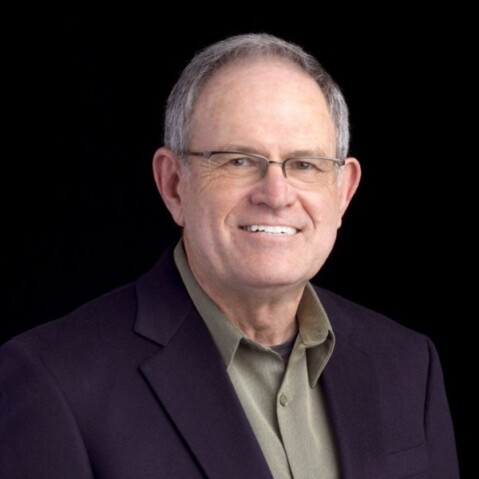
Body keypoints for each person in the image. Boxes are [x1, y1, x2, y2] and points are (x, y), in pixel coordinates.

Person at [0, 33, 459, 479]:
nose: (276, 195)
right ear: (173, 185)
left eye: (304, 164)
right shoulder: (55, 383)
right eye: (239, 160)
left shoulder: (407, 364)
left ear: (343, 191)